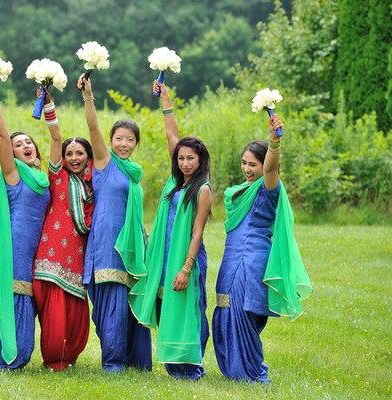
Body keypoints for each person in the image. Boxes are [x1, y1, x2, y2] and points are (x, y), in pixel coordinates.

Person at [212, 113, 312, 383]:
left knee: (245, 314)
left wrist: (274, 143)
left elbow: (270, 170)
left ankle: (251, 370)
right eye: (244, 163)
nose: (247, 169)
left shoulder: (268, 187)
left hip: (251, 260)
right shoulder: (237, 192)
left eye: (253, 164)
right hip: (231, 259)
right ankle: (235, 368)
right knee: (225, 309)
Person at [130, 81, 212, 379]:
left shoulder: (202, 189)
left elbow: (197, 232)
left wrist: (186, 268)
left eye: (191, 158)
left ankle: (192, 365)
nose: (185, 162)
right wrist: (165, 101)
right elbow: (172, 135)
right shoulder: (174, 183)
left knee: (189, 309)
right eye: (181, 158)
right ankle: (173, 364)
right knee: (167, 308)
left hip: (186, 259)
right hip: (164, 257)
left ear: (201, 160)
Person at [0, 77, 50, 370]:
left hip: (35, 253)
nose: (24, 145)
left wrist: (48, 102)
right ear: (12, 154)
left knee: (25, 311)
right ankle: (4, 355)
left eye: (28, 141)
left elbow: (57, 140)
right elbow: (3, 137)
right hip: (12, 247)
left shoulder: (43, 178)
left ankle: (11, 354)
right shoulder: (13, 176)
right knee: (11, 296)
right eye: (18, 145)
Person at [77, 74, 152, 372]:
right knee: (111, 306)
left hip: (132, 246)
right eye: (118, 138)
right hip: (108, 243)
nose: (124, 143)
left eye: (130, 139)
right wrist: (89, 96)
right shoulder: (104, 163)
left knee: (128, 305)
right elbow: (93, 126)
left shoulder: (134, 172)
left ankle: (134, 359)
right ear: (110, 142)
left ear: (136, 143)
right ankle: (113, 362)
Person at [32, 89, 94, 371]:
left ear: (88, 157)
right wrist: (48, 103)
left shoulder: (92, 186)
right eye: (69, 154)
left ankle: (69, 356)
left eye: (79, 152)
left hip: (78, 257)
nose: (73, 157)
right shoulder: (58, 176)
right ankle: (54, 358)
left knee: (76, 313)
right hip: (53, 253)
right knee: (54, 310)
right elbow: (56, 136)